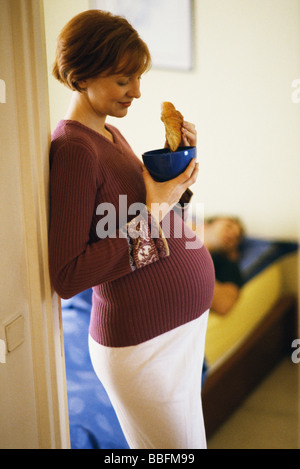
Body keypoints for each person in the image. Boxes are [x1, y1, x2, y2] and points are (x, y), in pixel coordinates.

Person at [49, 10, 215, 449]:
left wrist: (177, 175)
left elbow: (137, 214)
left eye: (137, 78)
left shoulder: (110, 134)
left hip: (174, 333)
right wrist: (157, 209)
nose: (137, 93)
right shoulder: (72, 149)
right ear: (80, 74)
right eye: (124, 80)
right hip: (143, 346)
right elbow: (68, 275)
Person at [204, 217, 244, 315]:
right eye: (228, 226)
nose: (231, 234)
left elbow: (224, 304)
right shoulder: (178, 229)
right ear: (208, 224)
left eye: (236, 238)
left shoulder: (227, 265)